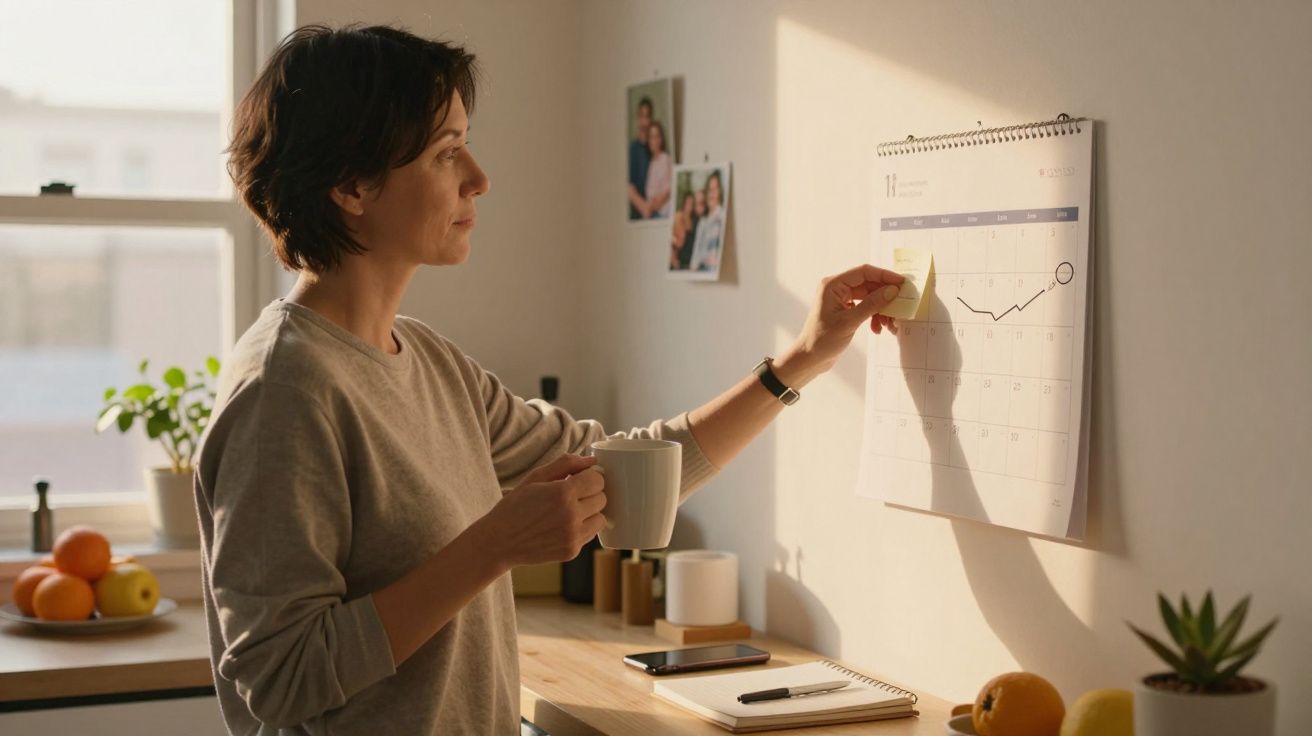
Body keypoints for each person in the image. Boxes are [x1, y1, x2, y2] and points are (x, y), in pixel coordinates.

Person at [203, 23, 904, 735]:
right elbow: (279, 678)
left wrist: (804, 360)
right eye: (448, 153)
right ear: (351, 185)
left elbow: (629, 469)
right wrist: (492, 546)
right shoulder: (281, 394)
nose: (479, 177)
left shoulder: (427, 360)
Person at [690, 169, 727, 273]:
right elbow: (695, 256)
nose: (712, 194)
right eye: (710, 189)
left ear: (720, 192)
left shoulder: (722, 216)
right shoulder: (702, 222)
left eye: (715, 189)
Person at [626, 96, 652, 220]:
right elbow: (629, 187)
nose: (644, 121)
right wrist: (644, 207)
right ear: (637, 117)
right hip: (638, 215)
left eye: (647, 117)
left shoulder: (655, 148)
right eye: (641, 116)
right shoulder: (632, 149)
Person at [641, 119, 672, 218]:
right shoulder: (651, 163)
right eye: (650, 137)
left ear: (660, 139)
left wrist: (651, 206)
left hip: (664, 213)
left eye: (655, 137)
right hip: (653, 211)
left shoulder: (666, 159)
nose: (653, 141)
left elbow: (668, 191)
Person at [670, 190, 696, 270]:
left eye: (692, 203)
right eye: (688, 203)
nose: (690, 206)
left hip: (687, 261)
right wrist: (673, 260)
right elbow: (677, 242)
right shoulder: (679, 216)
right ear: (684, 203)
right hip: (678, 260)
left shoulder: (693, 219)